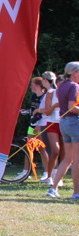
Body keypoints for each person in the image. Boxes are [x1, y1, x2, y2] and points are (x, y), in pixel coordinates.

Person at [46, 62, 79, 199]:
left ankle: (53, 188)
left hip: (63, 122)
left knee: (67, 159)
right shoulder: (74, 86)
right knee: (77, 160)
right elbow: (72, 106)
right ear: (75, 73)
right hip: (74, 122)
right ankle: (76, 193)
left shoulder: (62, 85)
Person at [38, 71, 61, 185]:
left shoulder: (55, 92)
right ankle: (49, 175)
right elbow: (47, 111)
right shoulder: (50, 93)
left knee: (60, 152)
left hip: (61, 123)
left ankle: (56, 176)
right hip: (50, 123)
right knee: (54, 151)